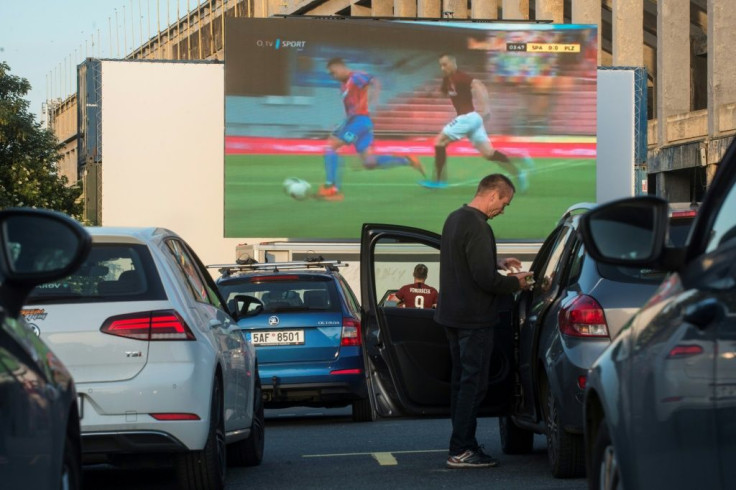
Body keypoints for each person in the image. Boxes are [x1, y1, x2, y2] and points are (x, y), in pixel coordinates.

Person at [435, 173, 534, 469]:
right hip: (474, 320)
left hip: (452, 316)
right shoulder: (479, 227)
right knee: (473, 385)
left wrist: (497, 261)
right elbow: (485, 281)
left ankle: (461, 444)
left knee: (460, 384)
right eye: (504, 203)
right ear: (492, 195)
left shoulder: (455, 218)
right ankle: (462, 449)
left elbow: (467, 262)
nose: (503, 209)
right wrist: (518, 283)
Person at [317, 58, 425, 201]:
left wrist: (374, 97)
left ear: (340, 67)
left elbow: (374, 80)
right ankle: (406, 160)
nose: (333, 76)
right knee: (369, 162)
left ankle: (333, 189)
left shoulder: (355, 77)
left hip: (359, 121)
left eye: (333, 72)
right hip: (359, 122)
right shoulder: (344, 84)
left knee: (331, 147)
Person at [422, 53, 533, 193]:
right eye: (441, 65)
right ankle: (519, 168)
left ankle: (438, 181)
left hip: (467, 118)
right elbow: (443, 93)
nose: (443, 68)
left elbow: (478, 84)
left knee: (439, 142)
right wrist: (430, 94)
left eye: (445, 64)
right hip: (472, 121)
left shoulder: (460, 76)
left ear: (453, 63)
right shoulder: (447, 79)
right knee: (489, 154)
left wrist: (486, 108)